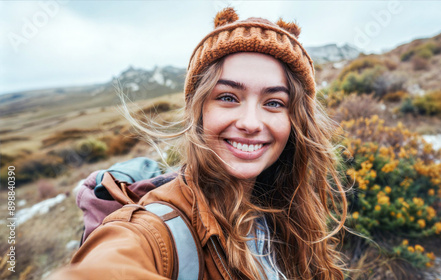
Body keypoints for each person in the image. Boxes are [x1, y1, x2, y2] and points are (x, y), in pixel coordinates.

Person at [50, 7, 347, 280]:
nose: (251, 122)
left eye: (274, 102)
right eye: (228, 97)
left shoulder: (287, 208)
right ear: (199, 110)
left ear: (296, 120)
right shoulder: (156, 230)